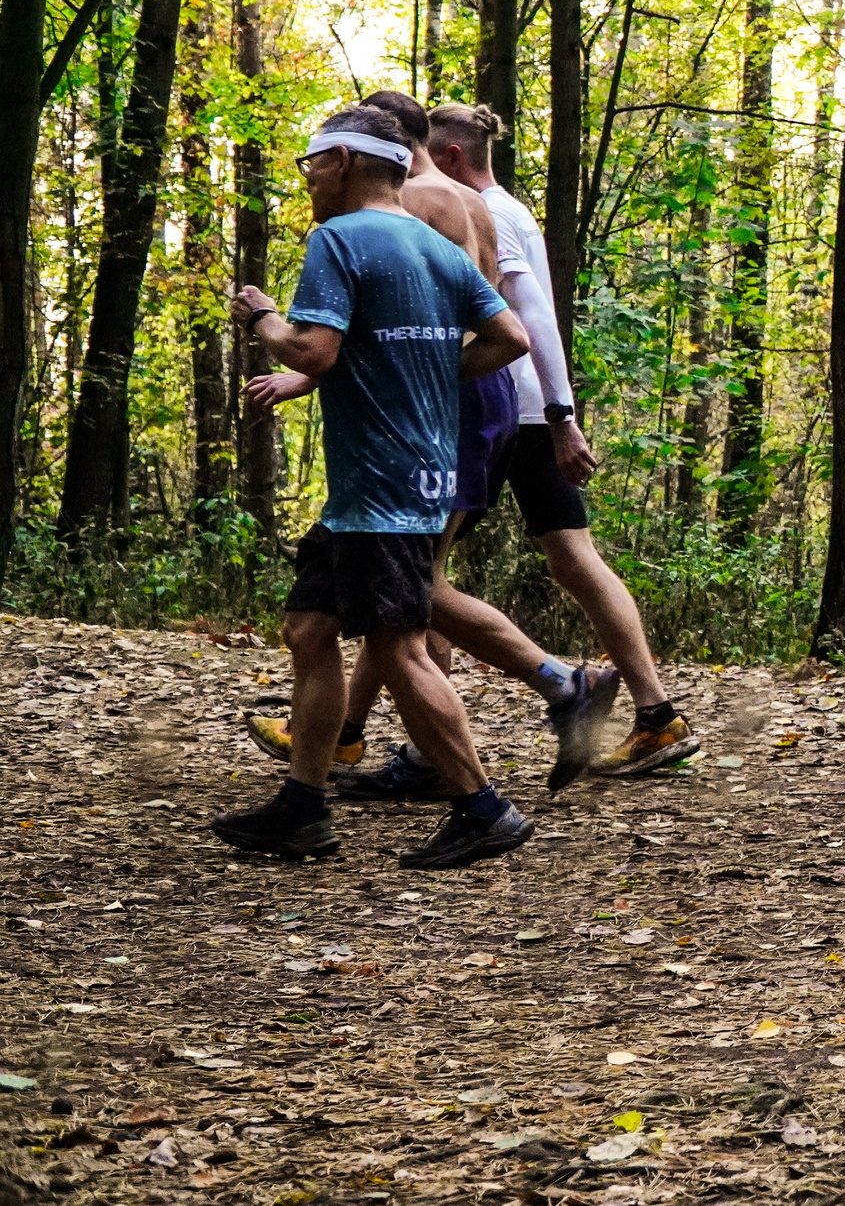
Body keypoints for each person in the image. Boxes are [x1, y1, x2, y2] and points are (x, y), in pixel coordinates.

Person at [239, 90, 621, 796]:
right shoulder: (473, 203)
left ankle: (523, 728)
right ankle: (338, 762)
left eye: (320, 159)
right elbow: (509, 318)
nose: (313, 175)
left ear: (363, 152)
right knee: (385, 594)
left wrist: (289, 351)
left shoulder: (394, 216)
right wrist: (555, 407)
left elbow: (377, 326)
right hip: (467, 396)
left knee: (408, 596)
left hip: (430, 410)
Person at [210, 106, 540, 867]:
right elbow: (509, 337)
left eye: (312, 164)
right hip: (395, 479)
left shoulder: (339, 239)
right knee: (310, 629)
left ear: (348, 161)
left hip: (383, 486)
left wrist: (262, 316)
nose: (309, 179)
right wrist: (427, 372)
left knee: (397, 648)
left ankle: (483, 806)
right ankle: (302, 806)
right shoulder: (432, 241)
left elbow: (313, 350)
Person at [424, 102, 699, 775]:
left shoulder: (484, 212)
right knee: (570, 559)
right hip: (524, 411)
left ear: (453, 156)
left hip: (504, 412)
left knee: (416, 572)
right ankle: (658, 715)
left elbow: (536, 316)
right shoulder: (503, 210)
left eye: (427, 153)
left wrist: (560, 413)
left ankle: (388, 740)